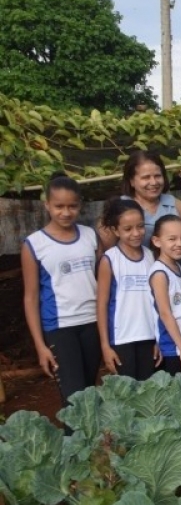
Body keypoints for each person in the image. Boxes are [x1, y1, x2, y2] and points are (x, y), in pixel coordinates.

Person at [22, 173, 102, 404]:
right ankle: (72, 430)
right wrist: (40, 345)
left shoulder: (90, 236)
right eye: (59, 206)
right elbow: (30, 298)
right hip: (60, 328)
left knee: (89, 390)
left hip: (93, 324)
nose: (66, 212)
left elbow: (103, 281)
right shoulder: (34, 244)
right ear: (47, 204)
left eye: (72, 206)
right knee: (73, 397)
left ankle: (90, 430)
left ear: (80, 205)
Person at [96, 198, 157, 380]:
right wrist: (105, 346)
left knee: (149, 389)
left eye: (140, 226)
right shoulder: (110, 259)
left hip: (149, 336)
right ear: (115, 230)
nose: (136, 233)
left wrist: (159, 339)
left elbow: (157, 301)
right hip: (121, 338)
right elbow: (101, 305)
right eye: (128, 229)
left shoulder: (151, 256)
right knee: (127, 390)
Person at [105, 150, 181, 248]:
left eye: (157, 176)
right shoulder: (119, 207)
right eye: (146, 177)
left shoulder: (173, 204)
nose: (153, 182)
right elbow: (106, 246)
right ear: (131, 181)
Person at [149, 215, 181, 379]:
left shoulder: (178, 267)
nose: (179, 243)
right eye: (172, 239)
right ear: (157, 241)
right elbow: (165, 314)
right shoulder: (160, 273)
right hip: (174, 349)